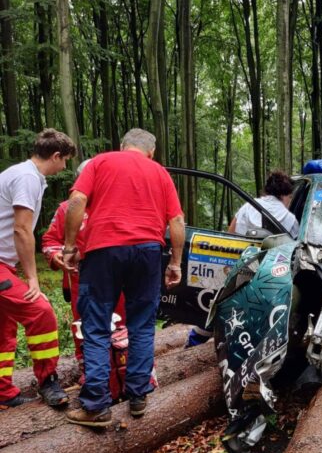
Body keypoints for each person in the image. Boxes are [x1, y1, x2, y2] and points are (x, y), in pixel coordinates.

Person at [62, 129, 185, 427]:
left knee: (96, 325)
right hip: (148, 251)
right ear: (151, 152)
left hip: (103, 249)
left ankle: (96, 405)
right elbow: (178, 221)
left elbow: (77, 202)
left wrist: (69, 246)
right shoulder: (160, 172)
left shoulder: (100, 162)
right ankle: (138, 396)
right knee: (142, 324)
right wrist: (176, 263)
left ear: (122, 146)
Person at [0, 128, 75, 408]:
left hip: (5, 265)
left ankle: (3, 391)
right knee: (41, 312)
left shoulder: (22, 174)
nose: (65, 166)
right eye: (65, 160)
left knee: (4, 327)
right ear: (55, 156)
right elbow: (22, 230)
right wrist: (33, 280)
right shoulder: (28, 177)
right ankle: (48, 381)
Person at [42, 158, 128, 388]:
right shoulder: (65, 209)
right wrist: (56, 256)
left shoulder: (119, 207)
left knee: (122, 322)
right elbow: (50, 241)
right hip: (80, 281)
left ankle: (124, 368)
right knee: (83, 326)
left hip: (117, 280)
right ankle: (88, 367)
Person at [228, 170, 298, 238]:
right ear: (284, 195)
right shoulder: (290, 219)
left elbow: (230, 235)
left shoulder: (248, 206)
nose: (290, 201)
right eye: (290, 197)